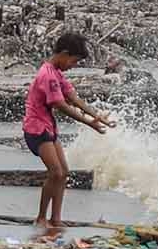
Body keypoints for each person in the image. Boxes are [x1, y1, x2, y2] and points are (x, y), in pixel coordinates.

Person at [25, 31, 110, 237]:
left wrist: (96, 116)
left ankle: (55, 218)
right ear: (64, 54)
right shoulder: (47, 75)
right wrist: (89, 123)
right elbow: (61, 105)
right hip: (36, 129)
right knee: (55, 172)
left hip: (48, 127)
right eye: (73, 61)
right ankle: (41, 217)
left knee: (64, 172)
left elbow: (73, 98)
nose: (73, 65)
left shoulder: (56, 73)